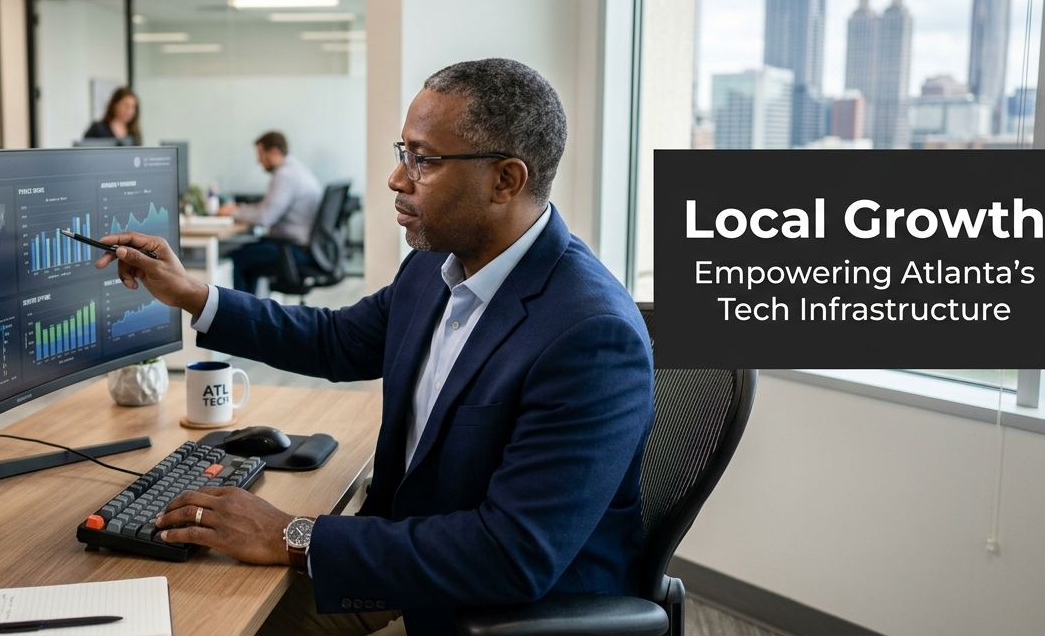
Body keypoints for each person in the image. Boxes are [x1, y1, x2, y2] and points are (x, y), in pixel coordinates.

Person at [95, 59, 654, 635]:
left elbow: (511, 554)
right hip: (402, 567)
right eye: (402, 151)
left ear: (505, 180)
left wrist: (290, 533)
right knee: (193, 600)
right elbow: (335, 341)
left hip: (492, 613)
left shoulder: (590, 336)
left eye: (423, 159)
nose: (396, 178)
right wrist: (192, 294)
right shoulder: (438, 265)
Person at [219, 131, 323, 293]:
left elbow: (264, 216)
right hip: (302, 247)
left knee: (238, 258)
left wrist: (233, 212)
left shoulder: (286, 175)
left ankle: (241, 314)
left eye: (261, 154)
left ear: (274, 152)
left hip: (292, 249)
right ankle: (248, 313)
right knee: (247, 252)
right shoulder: (297, 170)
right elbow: (266, 209)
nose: (258, 161)